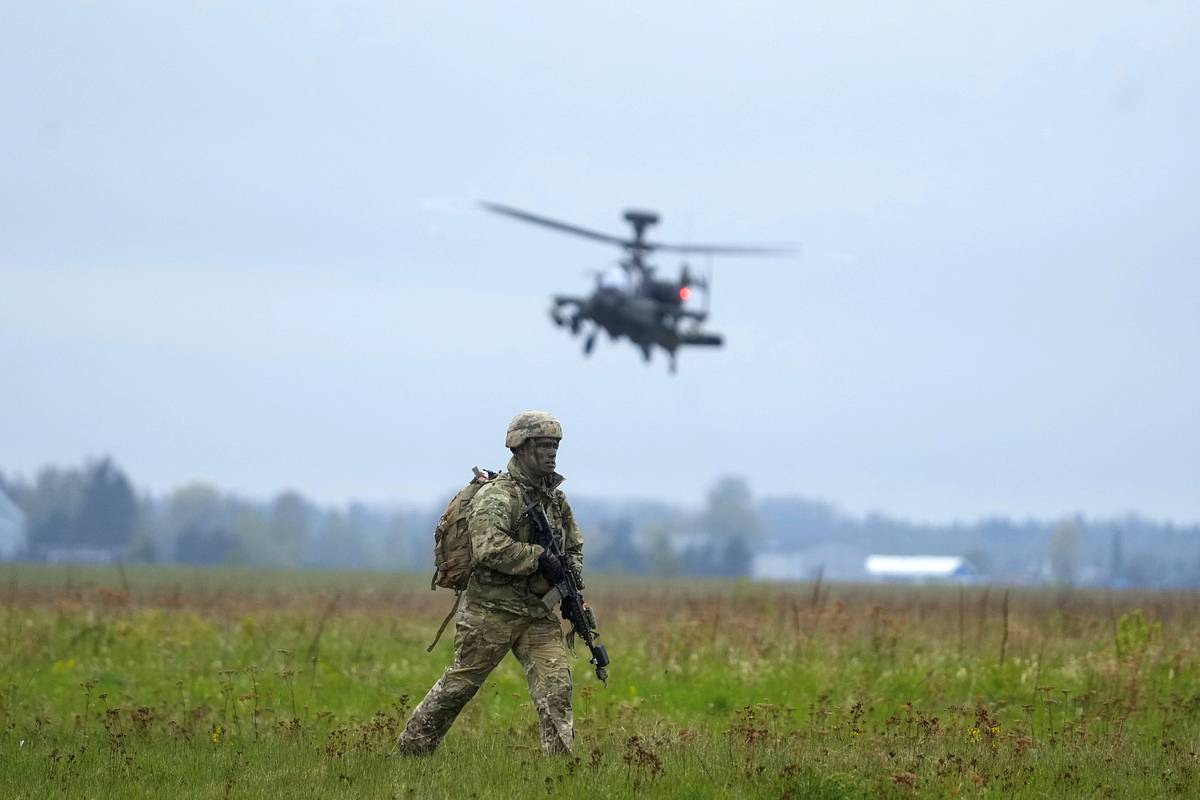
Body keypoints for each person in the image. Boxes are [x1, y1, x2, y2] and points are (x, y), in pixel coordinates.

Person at [396, 410, 584, 756]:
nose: (552, 452)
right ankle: (411, 752)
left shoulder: (555, 500)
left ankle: (561, 769)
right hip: (491, 613)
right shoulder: (498, 496)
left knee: (557, 687)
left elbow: (573, 547)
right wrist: (539, 557)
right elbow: (487, 547)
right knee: (458, 687)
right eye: (544, 445)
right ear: (521, 448)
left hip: (536, 613)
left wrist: (571, 584)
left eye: (555, 445)